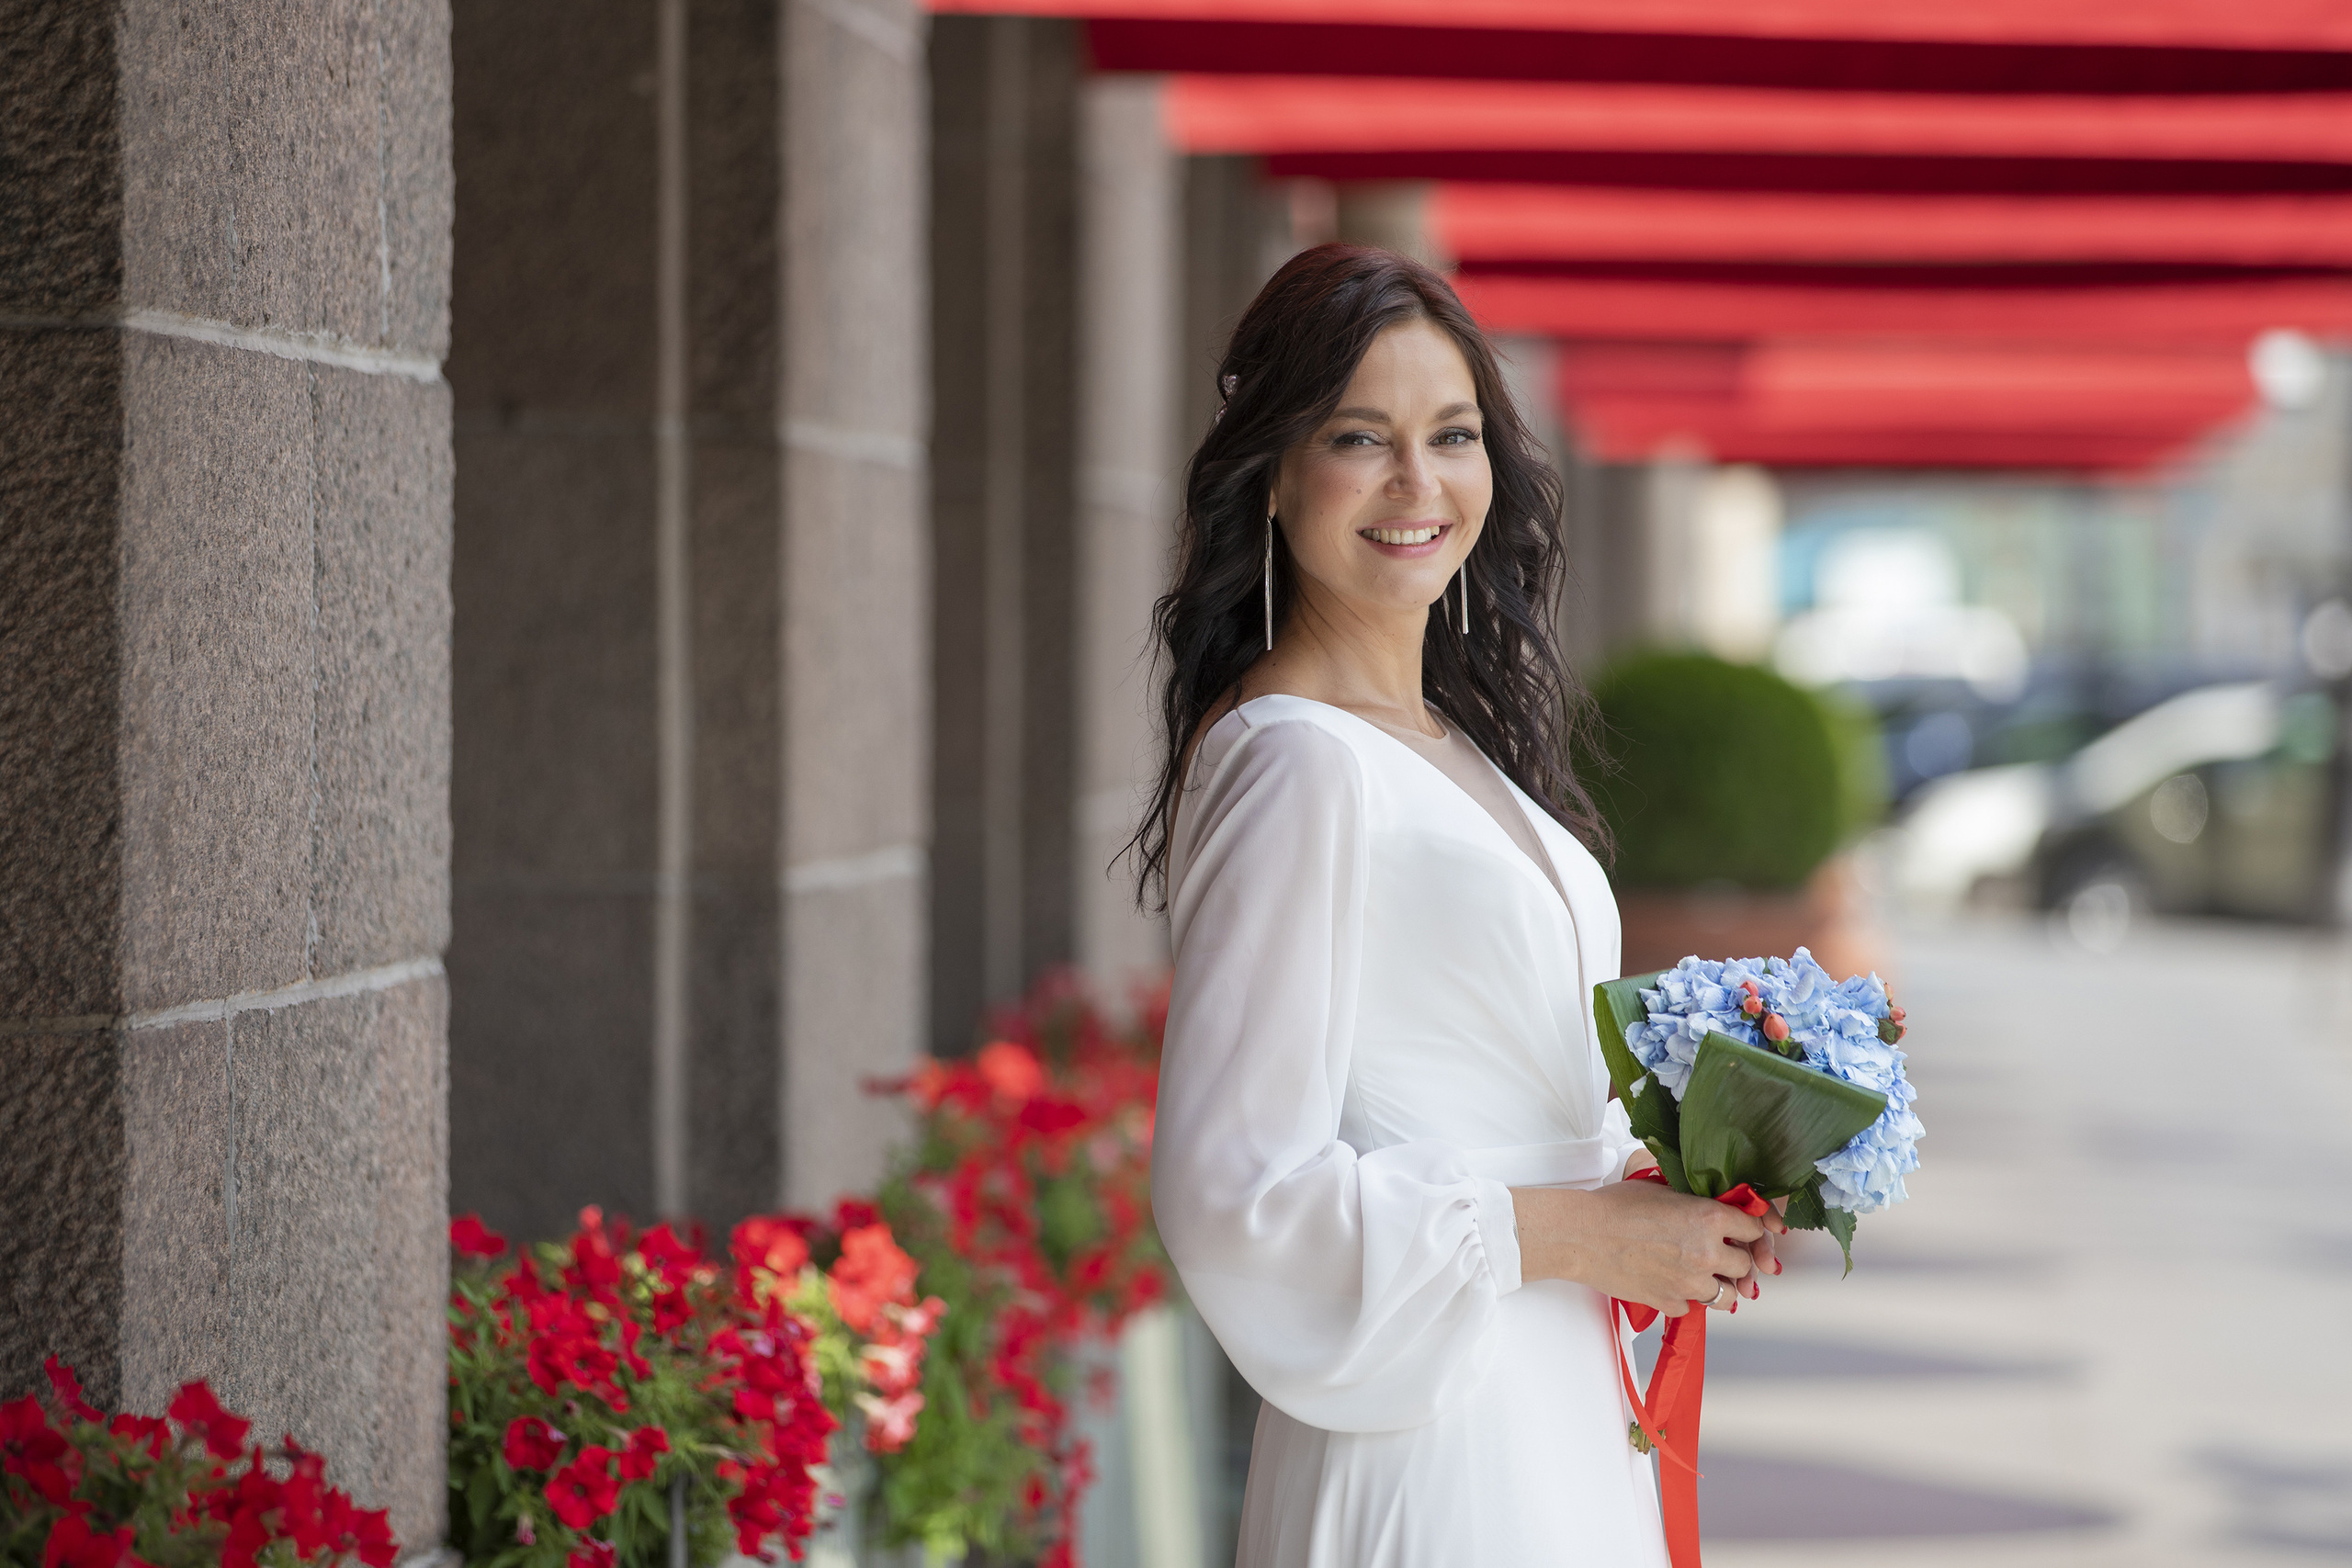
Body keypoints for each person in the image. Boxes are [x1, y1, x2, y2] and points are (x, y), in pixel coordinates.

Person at [1136, 244, 1785, 1565]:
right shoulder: (1299, 760)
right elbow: (1232, 1191)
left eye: (1453, 435)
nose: (1418, 484)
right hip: (1432, 1438)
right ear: (1274, 472)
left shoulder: (1446, 740)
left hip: (1557, 1396)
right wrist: (1571, 1231)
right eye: (1359, 438)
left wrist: (1681, 1201)